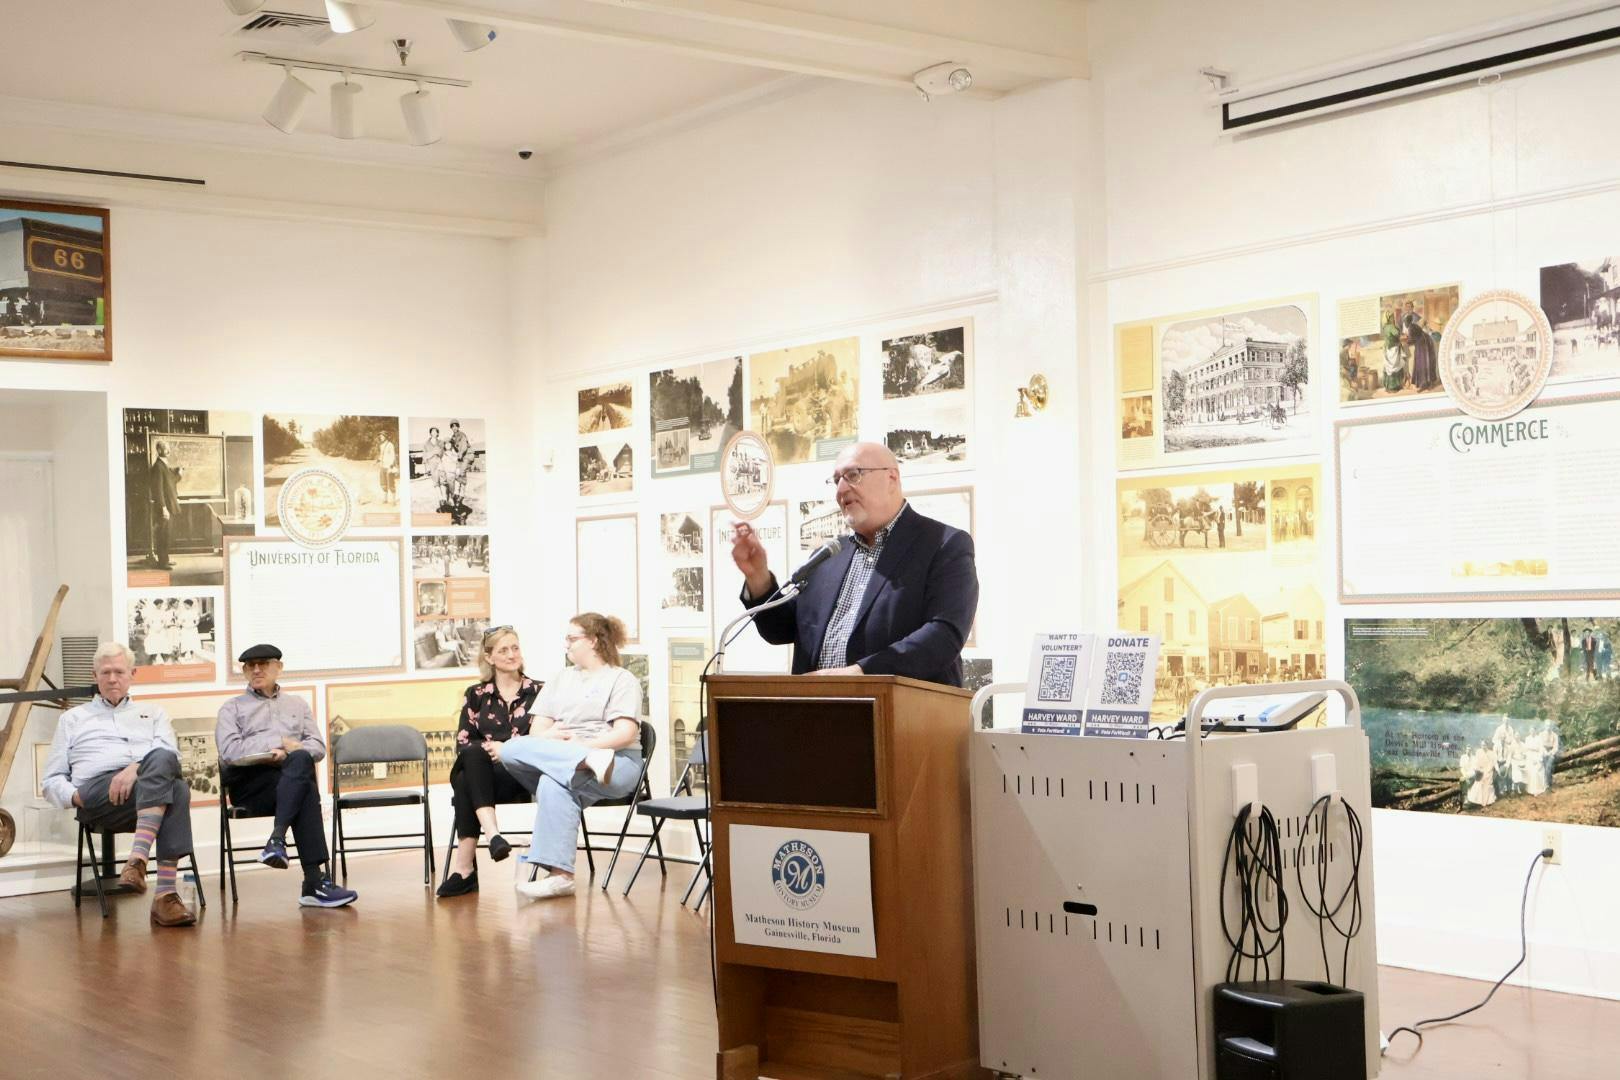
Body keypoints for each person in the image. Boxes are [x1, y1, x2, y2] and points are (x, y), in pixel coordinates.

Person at [730, 442, 978, 686]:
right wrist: (758, 577)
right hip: (817, 716)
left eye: (853, 475)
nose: (841, 488)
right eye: (836, 479)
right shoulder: (829, 556)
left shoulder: (943, 544)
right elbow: (780, 630)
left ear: (891, 478)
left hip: (902, 718)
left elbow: (944, 637)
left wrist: (862, 673)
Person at [40, 642, 197, 927]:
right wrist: (76, 797)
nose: (112, 679)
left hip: (144, 792)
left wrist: (135, 769)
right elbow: (50, 781)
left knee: (174, 780)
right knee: (173, 786)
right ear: (95, 675)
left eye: (119, 672)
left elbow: (169, 759)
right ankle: (163, 892)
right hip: (97, 795)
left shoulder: (153, 713)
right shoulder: (72, 719)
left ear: (132, 673)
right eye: (105, 672)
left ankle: (140, 866)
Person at [493, 614, 643, 900]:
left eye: (572, 639)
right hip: (575, 760)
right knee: (511, 750)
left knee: (551, 782)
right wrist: (560, 744)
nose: (567, 645)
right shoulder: (561, 679)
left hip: (615, 762)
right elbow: (538, 729)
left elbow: (625, 733)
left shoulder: (622, 680)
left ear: (594, 640)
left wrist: (587, 745)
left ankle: (560, 876)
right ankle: (580, 761)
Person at [216, 644, 357, 908]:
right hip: (251, 785)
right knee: (302, 782)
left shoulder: (297, 704)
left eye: (263, 663)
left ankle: (277, 840)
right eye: (250, 666)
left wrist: (295, 752)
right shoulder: (232, 708)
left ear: (278, 667)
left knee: (301, 765)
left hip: (289, 780)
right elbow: (230, 752)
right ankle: (314, 882)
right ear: (244, 671)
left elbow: (317, 747)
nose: (256, 670)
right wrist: (277, 746)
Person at [437, 626, 544, 898]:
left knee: (465, 782)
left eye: (515, 648)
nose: (512, 655)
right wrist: (490, 751)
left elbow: (546, 742)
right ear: (489, 658)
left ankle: (465, 871)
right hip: (487, 779)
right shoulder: (476, 694)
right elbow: (463, 741)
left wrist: (506, 748)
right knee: (470, 761)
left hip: (524, 777)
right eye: (503, 650)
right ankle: (493, 834)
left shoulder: (539, 692)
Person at [148, 440, 183, 570]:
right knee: (163, 534)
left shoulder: (164, 466)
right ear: (159, 450)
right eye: (165, 448)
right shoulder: (157, 467)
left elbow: (170, 483)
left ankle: (165, 559)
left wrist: (178, 475)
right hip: (164, 507)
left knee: (167, 534)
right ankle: (162, 563)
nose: (168, 450)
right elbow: (158, 490)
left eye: (168, 448)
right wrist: (163, 508)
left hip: (169, 506)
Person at [377, 431, 398, 506]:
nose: (381, 437)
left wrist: (391, 465)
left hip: (389, 467)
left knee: (391, 484)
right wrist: (378, 460)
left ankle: (394, 501)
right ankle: (385, 499)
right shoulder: (381, 445)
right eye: (380, 436)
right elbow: (381, 455)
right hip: (382, 466)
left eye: (382, 436)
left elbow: (393, 456)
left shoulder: (390, 445)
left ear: (385, 436)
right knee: (383, 483)